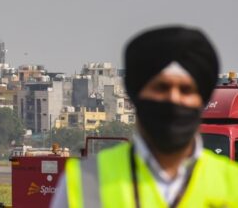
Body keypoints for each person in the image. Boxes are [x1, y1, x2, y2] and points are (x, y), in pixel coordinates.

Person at [50, 25, 238, 208]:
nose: (173, 98)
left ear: (202, 100)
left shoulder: (232, 184)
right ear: (135, 95)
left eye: (186, 90)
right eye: (161, 88)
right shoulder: (87, 182)